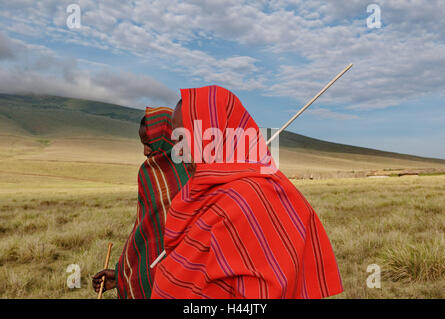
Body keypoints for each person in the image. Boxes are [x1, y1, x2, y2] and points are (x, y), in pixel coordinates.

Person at [150, 85, 343, 298]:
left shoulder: (250, 197)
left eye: (182, 138)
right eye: (176, 140)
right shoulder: (199, 192)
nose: (177, 150)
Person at [92, 106, 192, 298]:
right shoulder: (149, 175)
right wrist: (122, 274)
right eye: (142, 144)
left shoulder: (193, 169)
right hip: (163, 276)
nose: (145, 151)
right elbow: (147, 234)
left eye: (149, 143)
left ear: (167, 137)